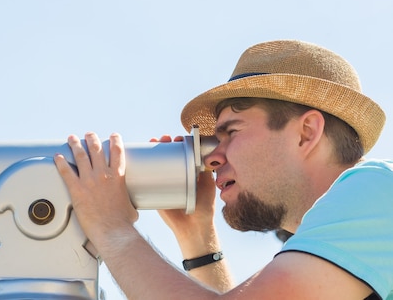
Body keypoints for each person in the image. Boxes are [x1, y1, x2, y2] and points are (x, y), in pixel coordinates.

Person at [54, 40, 393, 299]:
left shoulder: (378, 189)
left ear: (306, 133)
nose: (212, 158)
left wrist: (112, 228)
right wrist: (197, 237)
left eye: (231, 132)